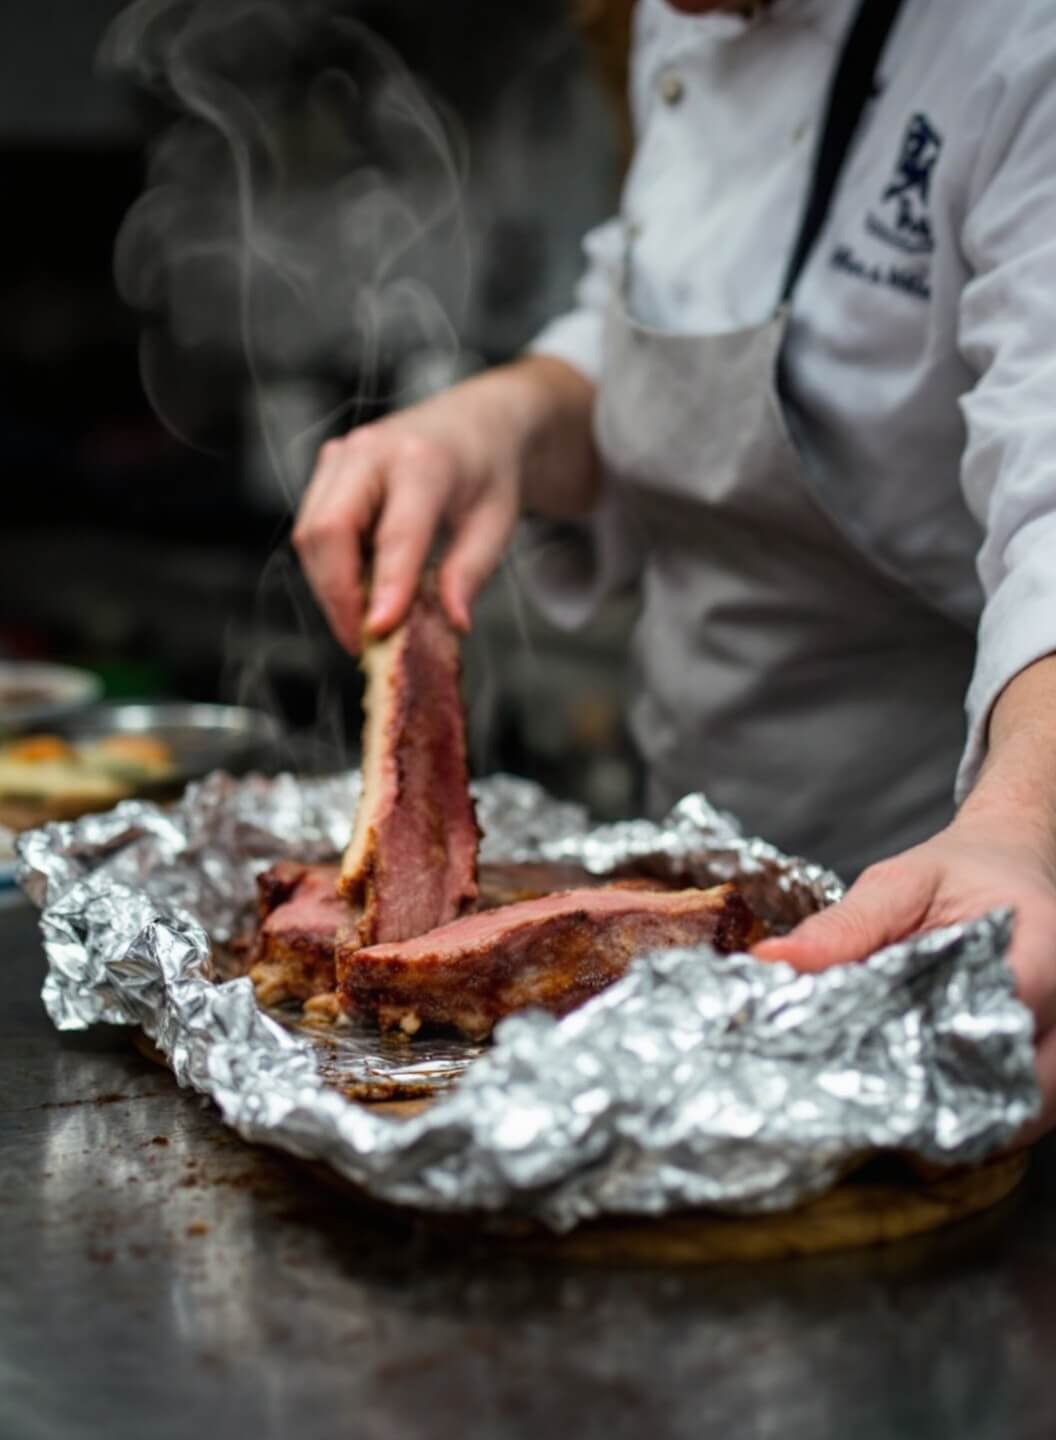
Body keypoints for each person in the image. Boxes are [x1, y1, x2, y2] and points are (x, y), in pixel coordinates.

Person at [293, 0, 1056, 1136]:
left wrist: (1028, 825)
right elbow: (659, 307)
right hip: (687, 863)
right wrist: (502, 417)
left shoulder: (1015, 43)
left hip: (957, 880)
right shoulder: (677, 23)